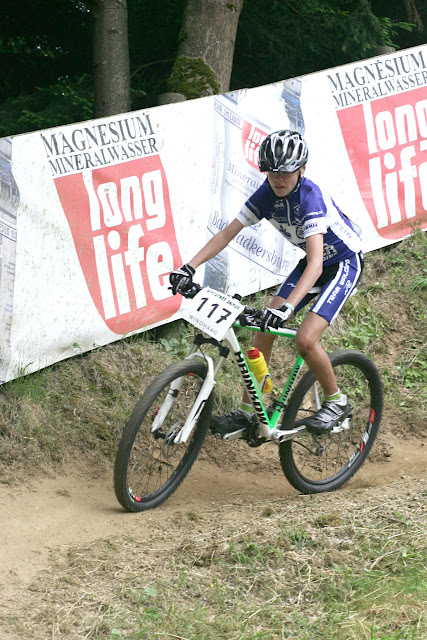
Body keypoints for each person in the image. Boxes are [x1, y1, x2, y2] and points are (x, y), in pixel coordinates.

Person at [169, 130, 363, 436]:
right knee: (263, 329)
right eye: (272, 172)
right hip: (313, 264)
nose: (278, 179)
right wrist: (188, 267)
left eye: (286, 172)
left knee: (305, 339)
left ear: (302, 169)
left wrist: (287, 308)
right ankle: (248, 412)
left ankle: (336, 402)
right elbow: (226, 234)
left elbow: (315, 265)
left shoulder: (309, 198)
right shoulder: (266, 194)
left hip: (342, 263)